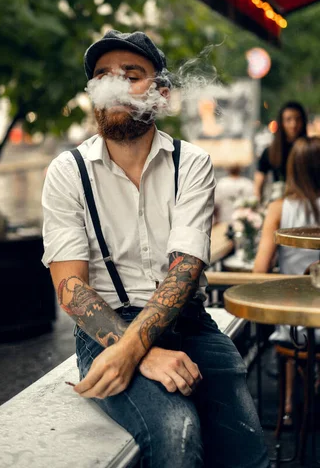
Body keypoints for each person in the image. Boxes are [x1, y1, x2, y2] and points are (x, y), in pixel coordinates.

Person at [42, 30, 269, 468]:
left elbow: (184, 272)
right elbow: (70, 286)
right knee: (175, 434)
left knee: (248, 453)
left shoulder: (193, 163)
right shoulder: (67, 172)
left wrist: (132, 351)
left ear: (161, 94)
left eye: (132, 75)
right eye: (104, 76)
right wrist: (136, 348)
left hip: (190, 322)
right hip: (104, 327)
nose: (115, 85)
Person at [253, 136, 320, 425]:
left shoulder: (279, 209)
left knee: (293, 324)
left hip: (294, 322)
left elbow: (259, 269)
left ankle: (290, 405)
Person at [254, 101, 307, 203]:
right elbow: (259, 180)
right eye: (288, 120)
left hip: (306, 203)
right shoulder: (271, 151)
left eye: (297, 119)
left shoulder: (310, 150)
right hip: (280, 202)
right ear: (281, 122)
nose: (293, 124)